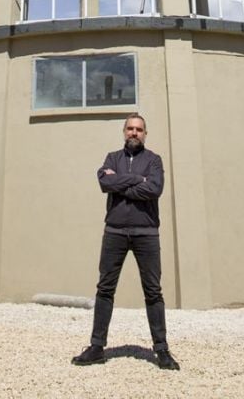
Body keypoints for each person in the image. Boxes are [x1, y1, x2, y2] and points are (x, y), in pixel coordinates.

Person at [71, 113, 180, 370]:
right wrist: (136, 180)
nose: (134, 133)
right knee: (105, 289)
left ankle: (162, 350)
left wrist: (120, 183)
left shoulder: (154, 160)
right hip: (115, 233)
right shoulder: (112, 158)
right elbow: (104, 181)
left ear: (145, 133)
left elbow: (155, 189)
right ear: (124, 132)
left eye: (139, 129)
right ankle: (97, 347)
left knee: (153, 292)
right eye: (130, 129)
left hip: (146, 234)